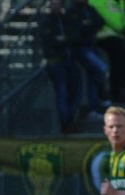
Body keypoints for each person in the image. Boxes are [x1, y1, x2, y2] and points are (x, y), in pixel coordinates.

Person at [40, 0, 83, 131]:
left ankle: (70, 118)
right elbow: (49, 41)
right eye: (53, 3)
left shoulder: (67, 19)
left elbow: (76, 36)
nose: (55, 6)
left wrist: (64, 39)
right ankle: (65, 123)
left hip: (70, 60)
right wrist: (64, 40)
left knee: (76, 92)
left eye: (58, 3)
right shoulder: (47, 21)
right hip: (56, 61)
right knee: (62, 92)